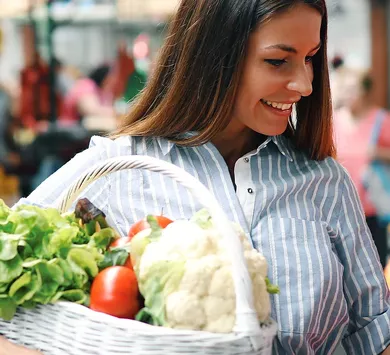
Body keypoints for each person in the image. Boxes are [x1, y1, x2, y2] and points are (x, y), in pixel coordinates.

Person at [3, 0, 390, 354]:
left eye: (310, 58)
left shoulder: (324, 180)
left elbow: (375, 331)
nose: (305, 85)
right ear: (214, 57)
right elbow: (11, 268)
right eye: (278, 61)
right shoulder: (118, 167)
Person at [333, 69, 390, 269]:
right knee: (346, 266)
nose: (347, 95)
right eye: (344, 89)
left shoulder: (380, 119)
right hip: (341, 206)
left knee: (376, 263)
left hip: (372, 206)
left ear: (365, 91)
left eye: (352, 89)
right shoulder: (333, 120)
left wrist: (379, 152)